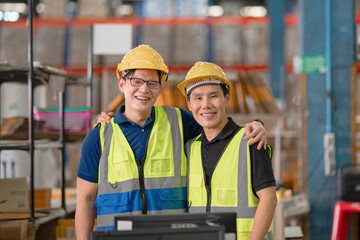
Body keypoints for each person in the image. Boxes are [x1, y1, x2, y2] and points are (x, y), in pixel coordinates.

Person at [75, 44, 267, 240]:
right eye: (136, 81)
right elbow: (85, 199)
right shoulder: (98, 138)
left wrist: (256, 125)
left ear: (159, 88)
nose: (144, 89)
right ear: (122, 84)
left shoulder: (180, 122)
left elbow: (216, 124)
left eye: (152, 83)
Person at [177, 61, 277, 240]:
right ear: (189, 104)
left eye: (213, 96)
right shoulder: (190, 148)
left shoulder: (249, 141)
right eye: (198, 98)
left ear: (227, 98)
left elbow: (269, 198)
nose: (206, 105)